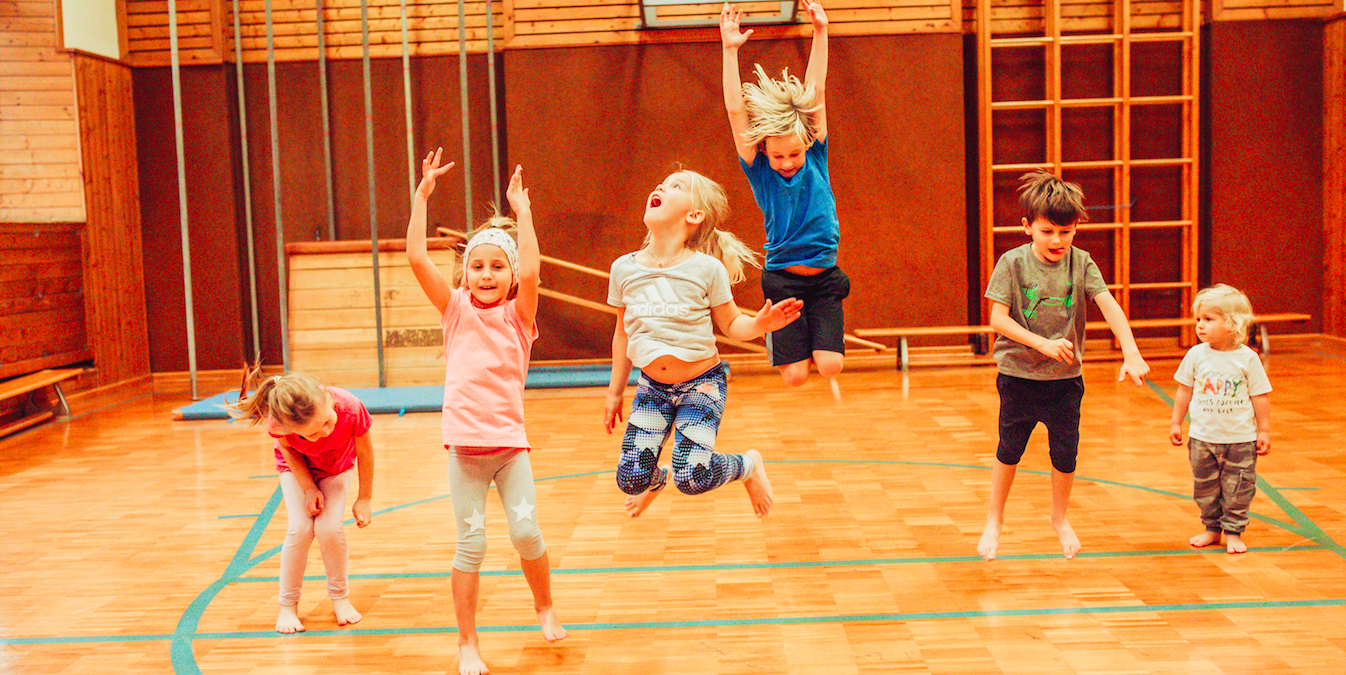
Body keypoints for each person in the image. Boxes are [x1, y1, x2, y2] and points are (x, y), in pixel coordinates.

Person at [407, 149, 565, 675]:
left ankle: (543, 605)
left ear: (511, 275)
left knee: (526, 534)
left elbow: (536, 269)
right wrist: (421, 200)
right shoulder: (453, 310)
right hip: (466, 455)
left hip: (509, 450)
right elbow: (416, 261)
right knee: (470, 544)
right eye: (477, 266)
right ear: (465, 272)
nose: (486, 274)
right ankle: (467, 642)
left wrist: (522, 214)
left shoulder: (519, 318)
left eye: (497, 267)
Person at [603, 168, 803, 518]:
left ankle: (748, 466)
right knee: (630, 478)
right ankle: (655, 480)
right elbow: (622, 333)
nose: (660, 185)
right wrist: (614, 392)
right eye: (661, 182)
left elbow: (731, 324)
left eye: (675, 186)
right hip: (653, 387)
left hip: (702, 385)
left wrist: (758, 324)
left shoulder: (706, 269)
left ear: (693, 216)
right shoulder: (624, 269)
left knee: (692, 477)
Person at [977, 170, 1150, 561]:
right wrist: (1041, 343)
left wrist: (1132, 352)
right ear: (1027, 228)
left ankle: (1059, 517)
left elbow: (1109, 305)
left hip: (1065, 381)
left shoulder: (1082, 263)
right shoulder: (1012, 263)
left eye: (1066, 232)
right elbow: (998, 320)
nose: (1057, 240)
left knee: (1065, 453)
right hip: (1019, 377)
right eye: (1047, 231)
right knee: (1009, 450)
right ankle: (994, 519)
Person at [720, 0, 848, 388]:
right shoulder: (760, 170)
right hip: (783, 281)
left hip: (824, 279)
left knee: (831, 367)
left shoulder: (816, 154)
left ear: (807, 145)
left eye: (794, 153)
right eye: (779, 155)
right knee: (794, 377)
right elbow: (734, 110)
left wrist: (821, 31)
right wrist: (729, 51)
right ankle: (792, 342)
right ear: (764, 151)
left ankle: (815, 333)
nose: (788, 161)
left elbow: (816, 88)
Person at [225, 365, 374, 634]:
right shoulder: (279, 422)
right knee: (300, 529)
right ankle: (288, 606)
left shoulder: (351, 408)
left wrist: (364, 498)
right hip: (296, 470)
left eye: (327, 423)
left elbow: (365, 453)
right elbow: (288, 450)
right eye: (312, 434)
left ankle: (340, 598)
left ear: (327, 399)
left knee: (329, 529)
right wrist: (308, 488)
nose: (324, 434)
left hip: (337, 468)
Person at [1169, 284, 1272, 554]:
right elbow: (1184, 391)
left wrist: (1264, 430)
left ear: (1232, 323)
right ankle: (1212, 529)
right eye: (1198, 320)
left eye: (1208, 319)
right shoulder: (1196, 355)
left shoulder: (1248, 359)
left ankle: (1234, 531)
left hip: (1240, 440)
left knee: (1238, 488)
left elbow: (1260, 396)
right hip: (1203, 439)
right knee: (1205, 488)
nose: (1200, 326)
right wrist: (1176, 422)